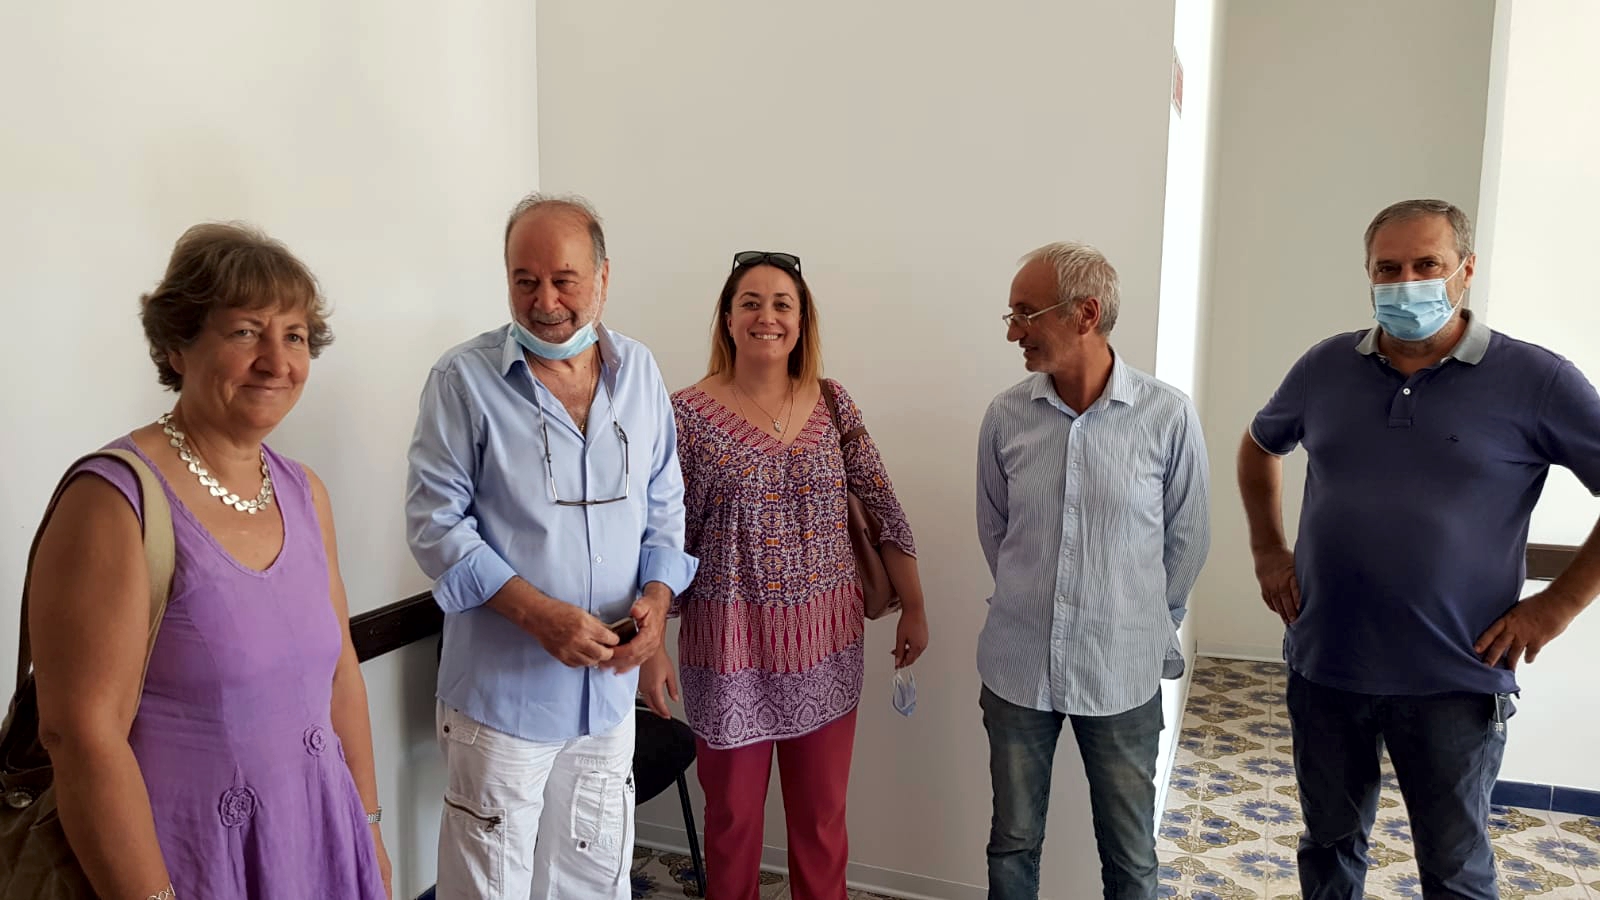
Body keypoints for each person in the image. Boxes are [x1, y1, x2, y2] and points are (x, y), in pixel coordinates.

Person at [1238, 198, 1600, 899]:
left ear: (1465, 270)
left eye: (1426, 264)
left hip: (1456, 678)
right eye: (1388, 268)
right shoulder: (1325, 366)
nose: (1406, 283)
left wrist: (1555, 607)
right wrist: (1267, 551)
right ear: (1368, 275)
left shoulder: (1537, 380)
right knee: (1329, 847)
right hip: (1328, 666)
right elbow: (1259, 446)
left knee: (1454, 869)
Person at [25, 223, 390, 899]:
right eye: (246, 332)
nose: (276, 362)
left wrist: (368, 832)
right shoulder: (115, 500)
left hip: (318, 842)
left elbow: (341, 671)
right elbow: (79, 735)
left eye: (295, 336)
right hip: (189, 866)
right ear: (177, 345)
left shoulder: (304, 491)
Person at [406, 193, 697, 900]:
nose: (545, 302)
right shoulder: (462, 380)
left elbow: (665, 505)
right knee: (489, 886)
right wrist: (540, 616)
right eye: (525, 280)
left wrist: (657, 603)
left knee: (592, 882)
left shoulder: (640, 373)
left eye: (564, 280)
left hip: (606, 699)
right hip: (503, 702)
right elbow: (435, 524)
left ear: (603, 278)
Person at [644, 250, 928, 900]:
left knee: (822, 823)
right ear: (727, 317)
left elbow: (882, 505)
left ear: (802, 321)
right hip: (729, 655)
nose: (766, 316)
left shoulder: (832, 402)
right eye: (750, 302)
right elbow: (660, 536)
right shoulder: (684, 415)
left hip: (826, 651)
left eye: (782, 304)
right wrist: (651, 641)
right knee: (732, 824)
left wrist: (914, 605)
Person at [976, 242, 1210, 900]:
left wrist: (1143, 620)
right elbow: (996, 530)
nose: (1014, 332)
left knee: (1131, 856)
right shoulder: (1005, 417)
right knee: (1012, 843)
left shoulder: (1167, 416)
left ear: (1085, 313)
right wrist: (1033, 596)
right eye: (1012, 315)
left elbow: (1188, 537)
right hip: (1018, 667)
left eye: (1026, 314)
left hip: (1121, 672)